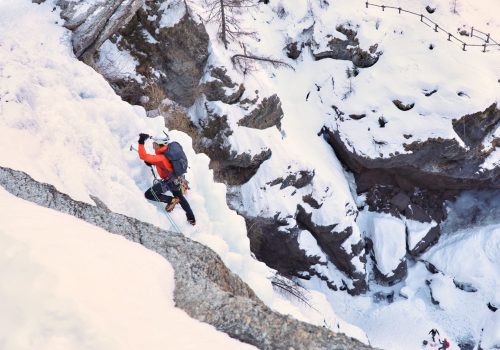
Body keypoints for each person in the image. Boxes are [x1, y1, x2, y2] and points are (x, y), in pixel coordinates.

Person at [138, 133, 196, 225]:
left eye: (154, 143)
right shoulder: (168, 152)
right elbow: (166, 164)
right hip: (176, 179)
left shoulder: (161, 157)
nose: (153, 145)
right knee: (180, 197)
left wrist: (141, 142)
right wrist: (153, 163)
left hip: (169, 182)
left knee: (149, 194)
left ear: (159, 144)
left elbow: (143, 156)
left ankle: (171, 200)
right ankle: (191, 218)